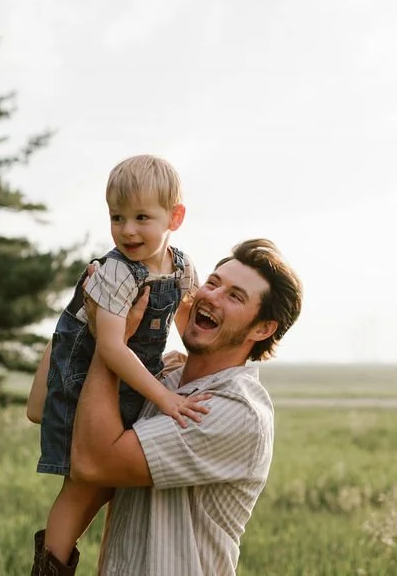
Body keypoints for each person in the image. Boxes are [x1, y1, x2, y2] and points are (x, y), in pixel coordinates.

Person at [71, 238, 303, 575]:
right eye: (213, 282)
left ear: (263, 328)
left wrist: (110, 337)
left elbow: (93, 463)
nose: (211, 296)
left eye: (235, 296)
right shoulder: (163, 378)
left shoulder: (235, 410)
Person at [29, 154, 208, 575]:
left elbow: (184, 321)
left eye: (142, 217)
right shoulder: (116, 272)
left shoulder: (181, 267)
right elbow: (109, 347)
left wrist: (184, 360)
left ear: (174, 217)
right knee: (80, 484)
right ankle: (48, 566)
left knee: (107, 477)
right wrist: (164, 396)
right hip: (86, 368)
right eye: (117, 217)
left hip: (129, 372)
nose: (127, 230)